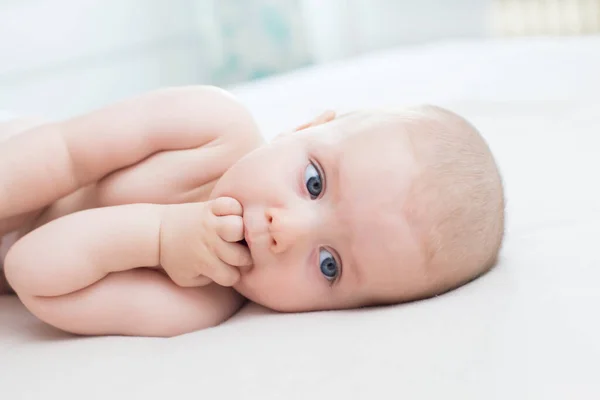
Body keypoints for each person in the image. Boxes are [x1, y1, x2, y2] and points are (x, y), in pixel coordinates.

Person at [0, 86, 504, 337]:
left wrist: (159, 236)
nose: (285, 230)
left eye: (330, 265)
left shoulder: (200, 304)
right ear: (305, 127)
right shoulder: (209, 124)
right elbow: (65, 152)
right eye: (314, 182)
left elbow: (29, 268)